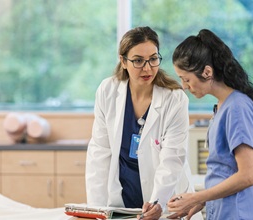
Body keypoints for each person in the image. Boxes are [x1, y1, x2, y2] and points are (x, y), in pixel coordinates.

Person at [85, 26, 203, 220]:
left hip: (168, 201)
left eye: (153, 59)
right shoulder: (108, 91)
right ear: (123, 61)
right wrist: (96, 210)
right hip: (122, 201)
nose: (147, 68)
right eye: (138, 61)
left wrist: (158, 202)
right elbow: (99, 152)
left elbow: (172, 158)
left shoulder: (175, 99)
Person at [167, 29, 253, 220]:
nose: (184, 86)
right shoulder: (222, 106)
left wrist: (195, 197)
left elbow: (248, 175)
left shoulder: (237, 108)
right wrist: (202, 202)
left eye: (186, 79)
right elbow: (226, 170)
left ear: (207, 72)